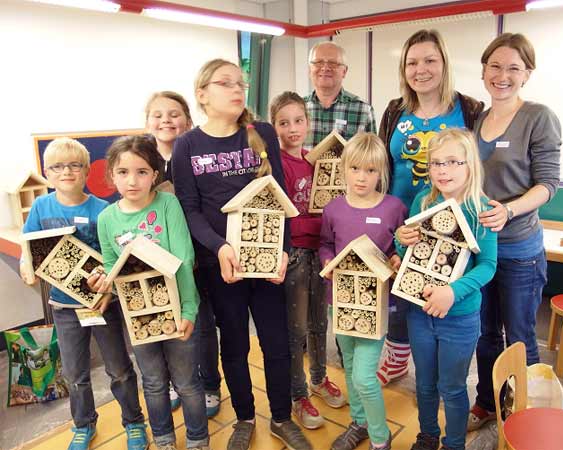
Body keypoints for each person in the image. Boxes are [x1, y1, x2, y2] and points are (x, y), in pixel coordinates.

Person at [171, 59, 312, 450]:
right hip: (223, 267)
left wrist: (282, 251)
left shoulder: (261, 133)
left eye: (241, 83)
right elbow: (189, 208)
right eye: (226, 83)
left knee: (277, 344)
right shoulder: (187, 145)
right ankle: (245, 418)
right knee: (234, 345)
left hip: (266, 264)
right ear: (202, 94)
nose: (238, 89)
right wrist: (220, 247)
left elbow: (279, 199)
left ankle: (282, 418)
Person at [20, 137, 148, 450]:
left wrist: (110, 286)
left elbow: (115, 256)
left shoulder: (102, 210)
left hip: (102, 304)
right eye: (58, 167)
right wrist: (27, 265)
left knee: (119, 368)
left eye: (75, 165)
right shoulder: (40, 206)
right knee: (76, 373)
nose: (67, 172)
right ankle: (83, 424)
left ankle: (133, 421)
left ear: (87, 171)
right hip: (63, 308)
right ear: (47, 173)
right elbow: (29, 244)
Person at [377, 29, 484, 386]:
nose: (420, 69)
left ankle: (442, 368)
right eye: (412, 62)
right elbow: (382, 165)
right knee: (399, 289)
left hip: (451, 222)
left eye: (429, 60)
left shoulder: (468, 110)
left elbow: (478, 164)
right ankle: (397, 353)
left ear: (444, 64)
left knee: (441, 290)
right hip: (400, 220)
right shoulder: (395, 110)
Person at [468, 33, 561, 430]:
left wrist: (508, 210)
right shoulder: (476, 120)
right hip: (480, 248)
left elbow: (548, 185)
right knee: (485, 333)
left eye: (513, 68)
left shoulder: (538, 117)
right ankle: (487, 402)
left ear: (527, 74)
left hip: (520, 249)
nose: (502, 75)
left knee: (520, 336)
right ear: (485, 70)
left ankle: (526, 412)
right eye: (495, 66)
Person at [92, 135, 209, 450]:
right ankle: (163, 439)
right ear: (111, 175)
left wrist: (187, 311)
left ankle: (198, 439)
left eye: (142, 171)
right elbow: (110, 263)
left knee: (186, 383)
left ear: (155, 175)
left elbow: (184, 258)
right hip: (138, 318)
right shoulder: (106, 219)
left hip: (178, 309)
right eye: (123, 172)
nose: (133, 180)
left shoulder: (167, 203)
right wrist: (104, 279)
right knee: (154, 383)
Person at [396, 128, 497, 450]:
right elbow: (410, 254)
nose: (443, 170)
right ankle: (427, 436)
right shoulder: (422, 201)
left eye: (453, 162)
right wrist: (402, 243)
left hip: (459, 317)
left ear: (470, 166)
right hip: (420, 312)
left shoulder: (482, 210)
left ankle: (454, 443)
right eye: (436, 162)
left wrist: (453, 292)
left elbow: (488, 265)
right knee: (424, 384)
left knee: (452, 387)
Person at [320, 133, 408, 450]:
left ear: (381, 171)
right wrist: (328, 260)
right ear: (344, 168)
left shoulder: (394, 208)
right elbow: (326, 244)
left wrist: (398, 258)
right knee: (350, 365)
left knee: (365, 377)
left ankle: (380, 439)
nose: (362, 177)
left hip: (376, 306)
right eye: (355, 169)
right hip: (340, 303)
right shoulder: (333, 209)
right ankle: (358, 423)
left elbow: (402, 247)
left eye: (370, 171)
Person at [269, 91, 347, 430]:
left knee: (319, 323)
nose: (292, 128)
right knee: (295, 329)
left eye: (298, 121)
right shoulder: (276, 165)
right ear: (274, 127)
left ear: (308, 122)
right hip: (296, 254)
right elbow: (282, 215)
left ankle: (318, 377)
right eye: (284, 123)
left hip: (323, 252)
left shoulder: (316, 160)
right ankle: (297, 393)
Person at [145, 91, 223, 417]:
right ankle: (179, 383)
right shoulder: (142, 161)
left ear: (189, 121)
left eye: (174, 114)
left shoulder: (196, 156)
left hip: (198, 256)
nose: (166, 120)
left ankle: (209, 385)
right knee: (167, 324)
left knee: (203, 323)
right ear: (147, 122)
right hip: (157, 262)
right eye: (158, 115)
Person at [304, 41, 376, 149]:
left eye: (333, 63)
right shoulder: (298, 108)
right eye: (318, 62)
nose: (325, 68)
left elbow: (373, 157)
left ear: (344, 71)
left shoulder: (363, 110)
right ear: (310, 69)